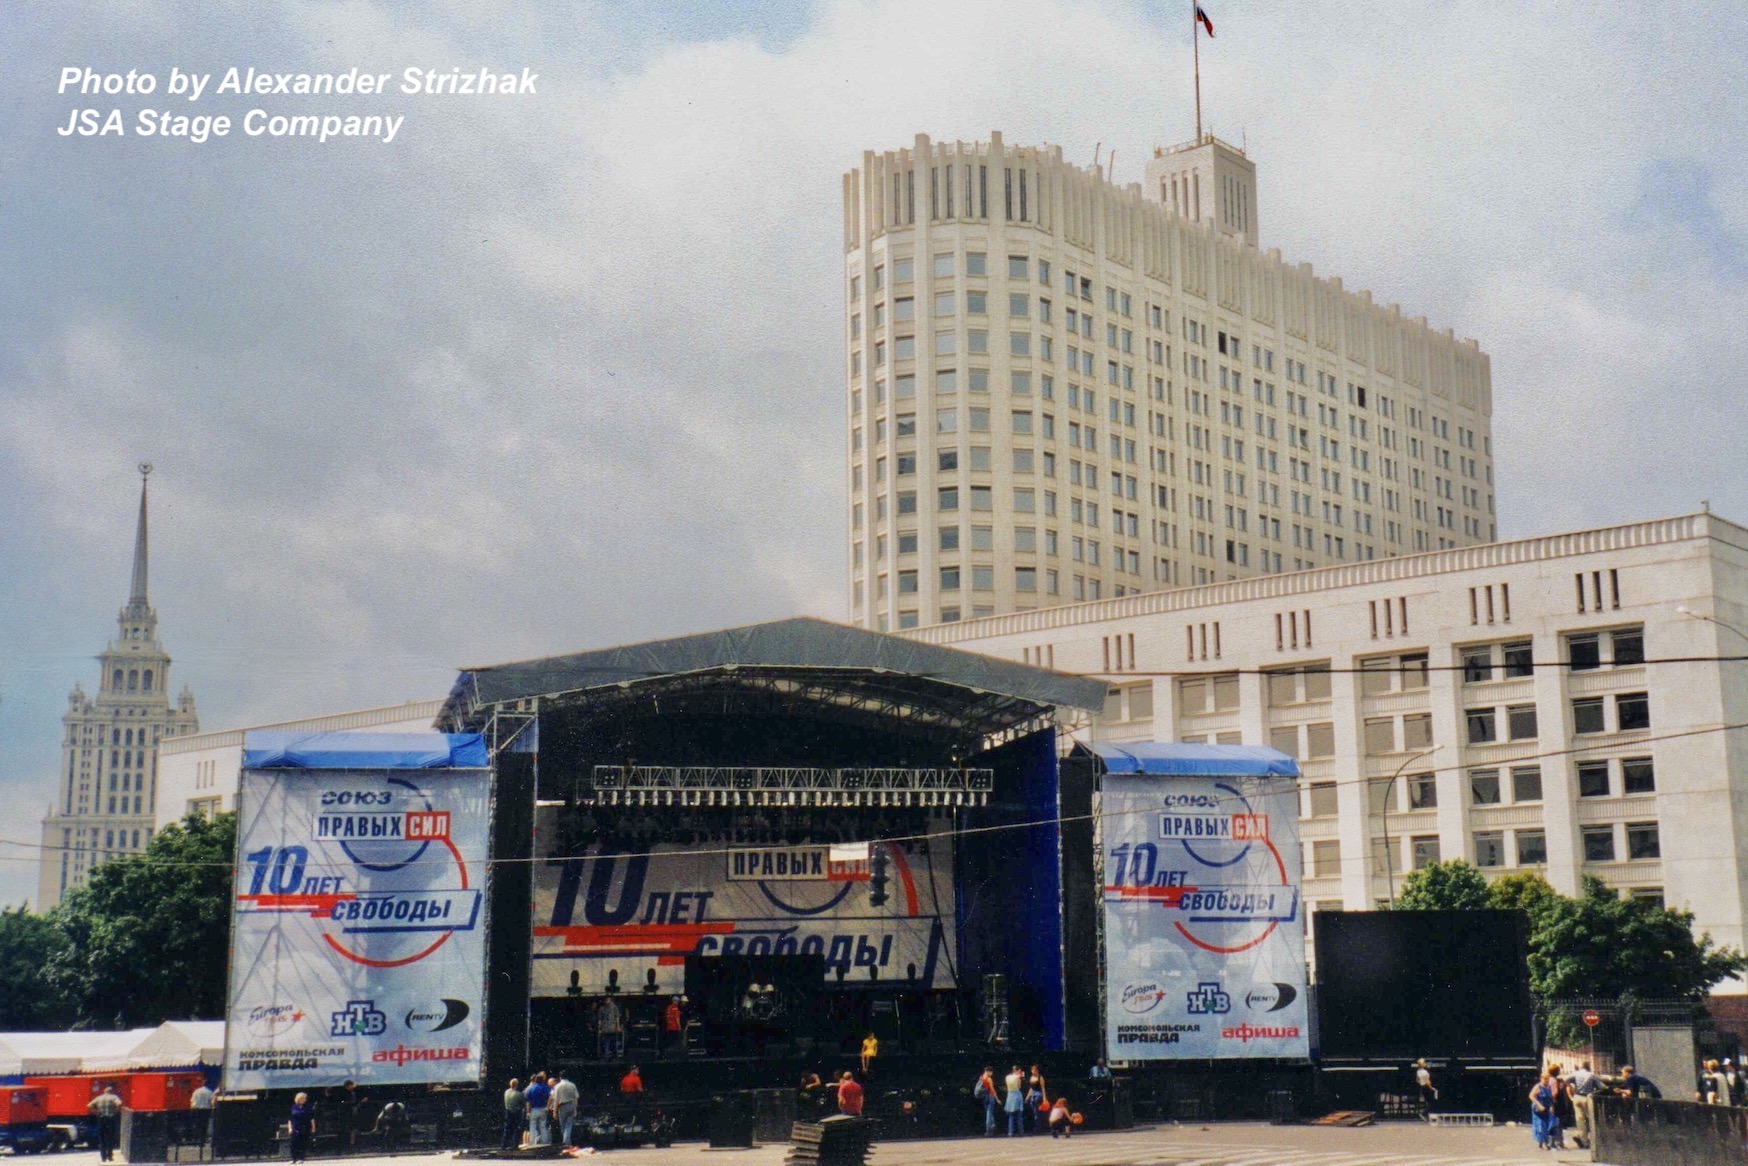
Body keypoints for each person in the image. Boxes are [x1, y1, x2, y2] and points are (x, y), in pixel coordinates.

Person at [1569, 1061, 1602, 1149]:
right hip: (1587, 1098)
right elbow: (1602, 1086)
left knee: (1580, 1119)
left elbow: (1566, 1080)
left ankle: (1584, 1141)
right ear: (1588, 1066)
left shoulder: (1576, 1074)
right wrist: (1595, 1092)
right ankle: (1593, 1141)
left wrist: (1572, 1091)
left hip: (1577, 1097)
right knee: (1590, 1119)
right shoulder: (1591, 1075)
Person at [89, 1085, 123, 1163]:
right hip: (110, 1119)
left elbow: (89, 1105)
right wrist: (115, 1112)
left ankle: (103, 1157)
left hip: (101, 1119)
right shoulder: (114, 1097)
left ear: (104, 1091)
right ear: (111, 1091)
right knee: (110, 1138)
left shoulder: (99, 1098)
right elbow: (119, 1104)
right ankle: (110, 1156)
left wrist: (96, 1112)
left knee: (102, 1139)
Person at [1529, 1070, 1561, 1152]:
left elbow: (1550, 1098)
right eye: (1545, 1079)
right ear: (1541, 1078)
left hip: (1546, 1108)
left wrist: (1551, 1107)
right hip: (1539, 1109)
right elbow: (1531, 1096)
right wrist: (1539, 1105)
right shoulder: (1538, 1086)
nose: (1546, 1080)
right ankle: (1544, 1143)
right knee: (1541, 1125)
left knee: (1548, 1125)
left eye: (1548, 1079)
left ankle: (1542, 1141)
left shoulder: (1549, 1087)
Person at [551, 1070, 579, 1147]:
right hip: (571, 1105)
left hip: (562, 1106)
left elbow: (556, 1100)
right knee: (569, 1125)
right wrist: (575, 1109)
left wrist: (554, 1112)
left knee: (563, 1126)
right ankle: (568, 1143)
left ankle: (565, 1143)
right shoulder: (572, 1085)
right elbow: (576, 1098)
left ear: (560, 1077)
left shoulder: (557, 1086)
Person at [523, 1072, 552, 1146]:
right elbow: (550, 1097)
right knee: (543, 1126)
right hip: (543, 1108)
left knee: (532, 1126)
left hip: (533, 1109)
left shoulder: (531, 1088)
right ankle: (544, 1142)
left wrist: (528, 1111)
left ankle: (532, 1143)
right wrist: (547, 1107)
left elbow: (528, 1102)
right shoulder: (545, 1087)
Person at [288, 1092, 315, 1164]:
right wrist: (290, 1128)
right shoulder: (293, 1107)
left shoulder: (308, 1107)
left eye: (305, 1098)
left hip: (305, 1127)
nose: (304, 1100)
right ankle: (293, 1158)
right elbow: (290, 1119)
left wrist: (313, 1127)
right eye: (302, 1098)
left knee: (303, 1143)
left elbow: (311, 1118)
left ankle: (301, 1158)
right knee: (293, 1143)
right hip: (295, 1127)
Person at [598, 994, 625, 1060]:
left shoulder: (614, 1007)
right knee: (606, 1042)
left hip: (613, 1028)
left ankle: (615, 1056)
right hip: (605, 1028)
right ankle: (606, 1055)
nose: (606, 1001)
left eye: (608, 1000)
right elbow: (600, 1019)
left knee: (614, 1042)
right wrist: (600, 1028)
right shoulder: (602, 1008)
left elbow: (617, 1018)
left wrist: (618, 1027)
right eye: (606, 1000)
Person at [500, 1079, 525, 1151]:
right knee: (516, 1129)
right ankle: (514, 1145)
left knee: (507, 1129)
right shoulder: (519, 1094)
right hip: (516, 1113)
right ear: (517, 1085)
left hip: (508, 1112)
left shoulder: (506, 1092)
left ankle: (503, 1146)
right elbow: (523, 1103)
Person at [973, 1067, 998, 1136]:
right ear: (988, 1071)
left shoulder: (981, 1078)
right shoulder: (989, 1079)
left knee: (989, 1112)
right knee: (989, 1114)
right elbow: (992, 1090)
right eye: (991, 1072)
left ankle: (992, 1126)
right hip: (990, 1097)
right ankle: (988, 1131)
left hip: (984, 1097)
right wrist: (997, 1099)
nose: (992, 1074)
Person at [1024, 1064, 1047, 1134]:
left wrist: (1044, 1098)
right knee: (1034, 1112)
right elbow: (1031, 1088)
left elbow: (1043, 1088)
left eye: (1035, 1070)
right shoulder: (1031, 1078)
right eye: (1032, 1070)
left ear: (1037, 1070)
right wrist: (1027, 1098)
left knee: (1037, 1112)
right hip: (1033, 1095)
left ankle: (1038, 1128)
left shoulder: (1040, 1077)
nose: (1034, 1071)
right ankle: (1036, 1127)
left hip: (1038, 1094)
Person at [1003, 1065, 1025, 1136]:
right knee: (1019, 1115)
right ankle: (1020, 1131)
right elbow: (1019, 1086)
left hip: (1010, 1095)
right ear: (1018, 1070)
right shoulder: (1018, 1077)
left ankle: (1010, 1132)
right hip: (1017, 1094)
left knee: (1011, 1115)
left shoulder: (1007, 1077)